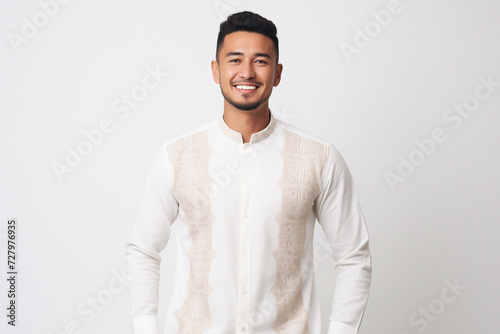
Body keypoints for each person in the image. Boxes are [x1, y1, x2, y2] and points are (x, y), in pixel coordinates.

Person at [125, 11, 371, 334]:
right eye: (235, 60)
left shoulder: (319, 158)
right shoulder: (176, 157)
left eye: (260, 61)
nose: (246, 72)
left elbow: (354, 256)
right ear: (215, 70)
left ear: (277, 73)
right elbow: (143, 249)